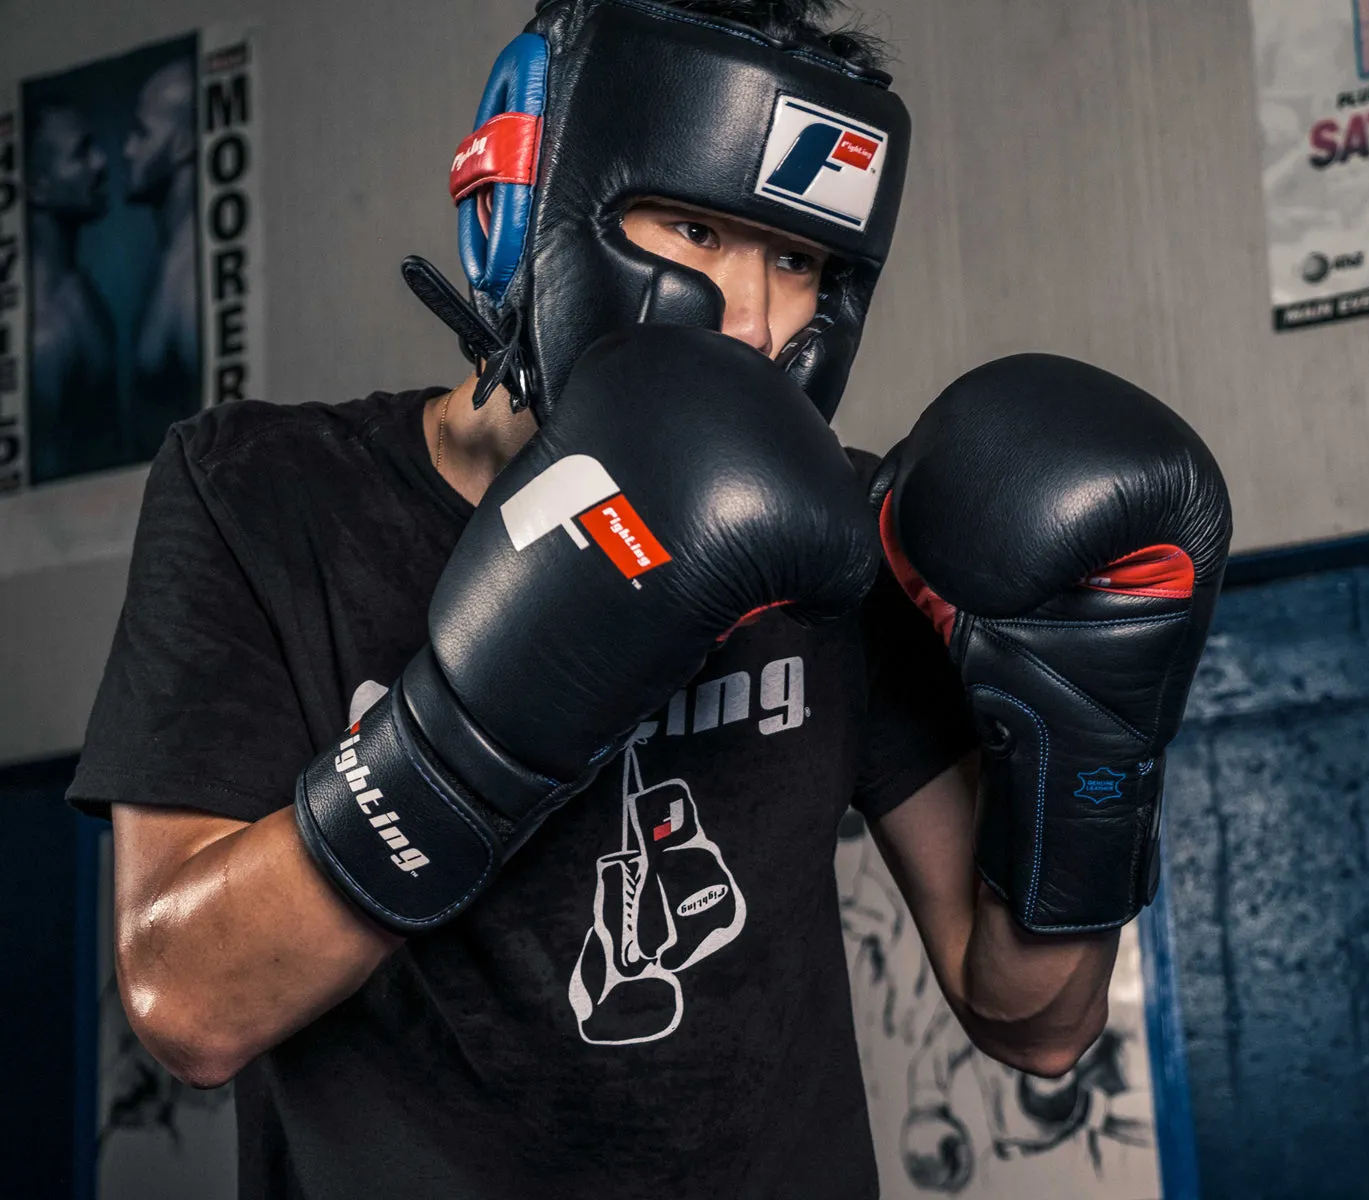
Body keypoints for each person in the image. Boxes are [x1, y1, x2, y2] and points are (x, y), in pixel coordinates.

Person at [69, 2, 1231, 1197]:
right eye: (695, 230)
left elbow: (1034, 1020)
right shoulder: (262, 497)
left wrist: (1091, 742)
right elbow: (188, 1005)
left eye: (801, 261)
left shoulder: (845, 533)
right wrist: (475, 732)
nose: (760, 322)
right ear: (525, 206)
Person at [25, 103, 117, 482]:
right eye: (81, 153)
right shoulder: (44, 335)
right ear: (37, 186)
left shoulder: (78, 290)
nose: (101, 162)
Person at [123, 58, 200, 457]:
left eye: (141, 132)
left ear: (185, 141)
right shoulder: (170, 262)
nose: (126, 149)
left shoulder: (189, 285)